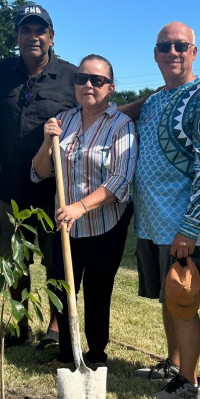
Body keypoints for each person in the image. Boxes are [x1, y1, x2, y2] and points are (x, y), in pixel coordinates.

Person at [132, 22, 200, 399]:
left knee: (183, 300)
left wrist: (190, 228)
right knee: (166, 298)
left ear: (193, 52)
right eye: (164, 46)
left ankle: (189, 382)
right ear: (155, 54)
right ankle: (173, 363)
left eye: (180, 46)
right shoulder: (155, 100)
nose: (172, 52)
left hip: (182, 225)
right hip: (153, 221)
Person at [32, 54, 137, 367]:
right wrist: (47, 141)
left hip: (105, 226)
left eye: (97, 80)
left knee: (96, 291)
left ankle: (95, 355)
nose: (88, 85)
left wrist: (80, 207)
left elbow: (120, 181)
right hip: (66, 226)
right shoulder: (64, 121)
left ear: (110, 88)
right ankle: (66, 355)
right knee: (63, 290)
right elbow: (38, 171)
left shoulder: (121, 125)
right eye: (81, 78)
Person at [0, 3, 77, 348]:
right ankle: (19, 323)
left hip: (55, 192)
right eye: (26, 30)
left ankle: (55, 328)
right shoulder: (0, 74)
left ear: (51, 37)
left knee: (56, 260)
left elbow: (98, 110)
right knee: (13, 258)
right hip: (12, 189)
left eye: (40, 30)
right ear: (16, 37)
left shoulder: (71, 76)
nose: (33, 36)